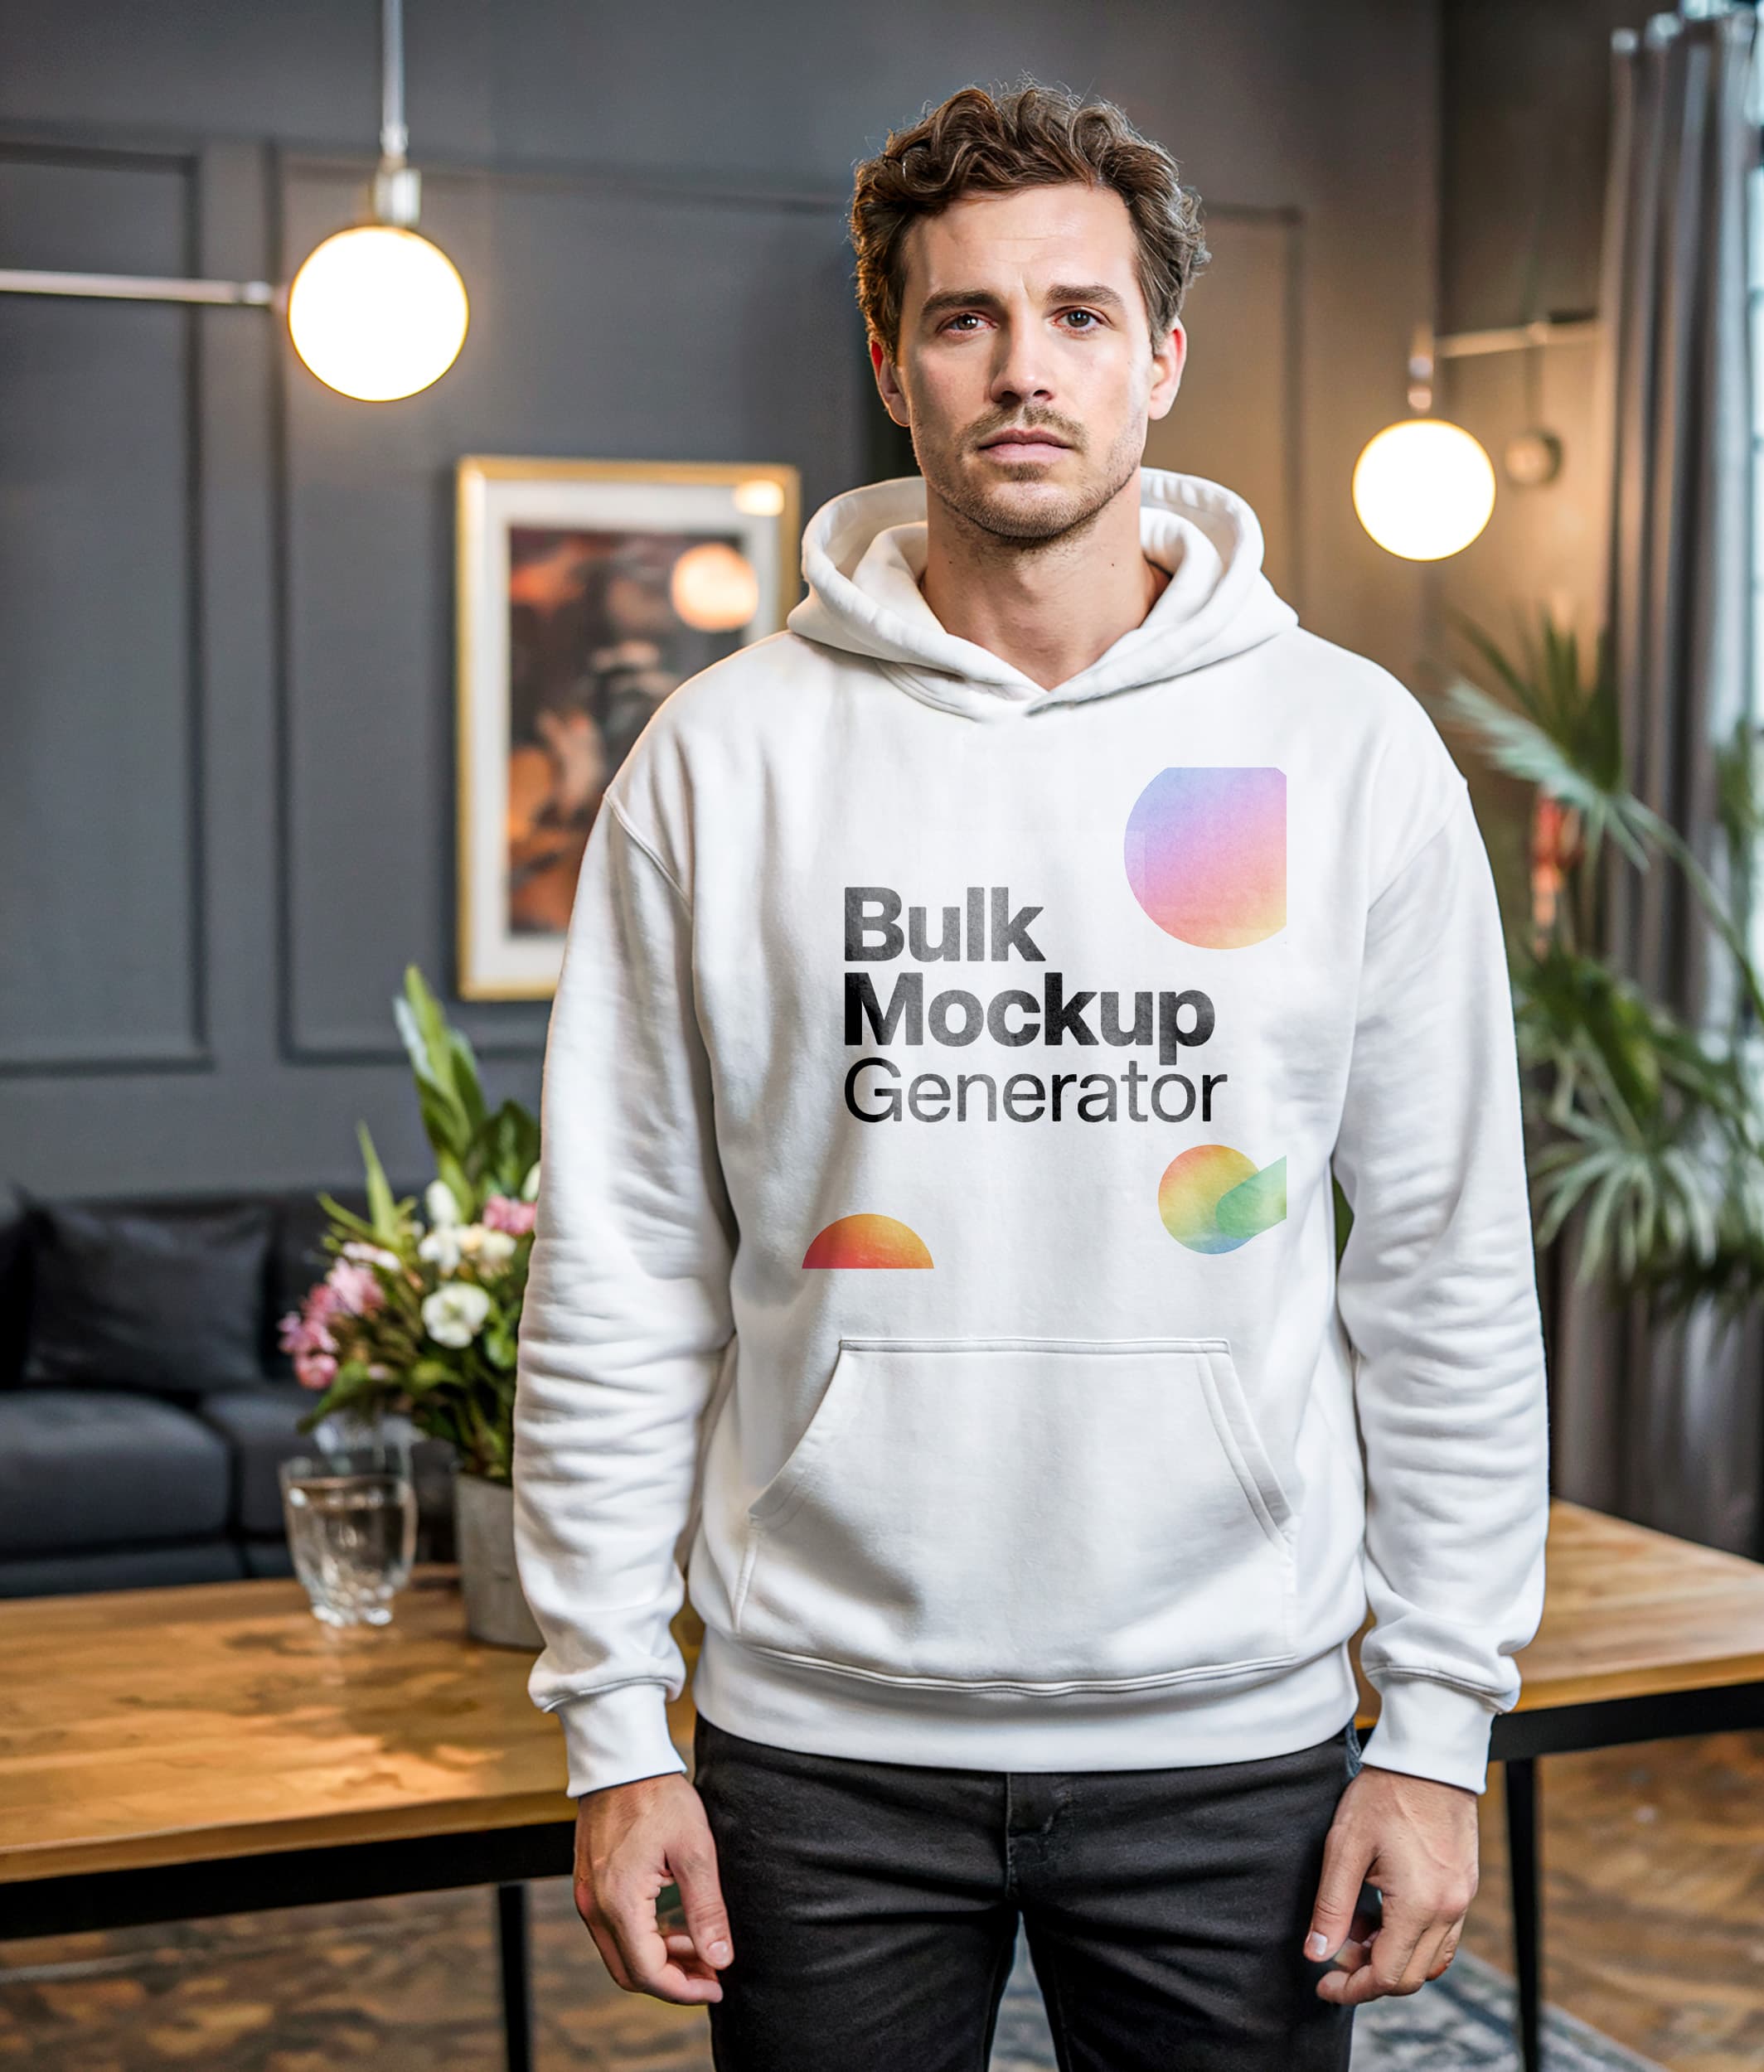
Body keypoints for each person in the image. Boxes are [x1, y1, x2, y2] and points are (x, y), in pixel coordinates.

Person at [511, 79, 1549, 2071]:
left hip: (1234, 1742)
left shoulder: (1347, 752)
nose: (1022, 368)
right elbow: (625, 1262)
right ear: (891, 361)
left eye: (1077, 315)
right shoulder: (722, 760)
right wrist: (612, 1720)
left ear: (1161, 357)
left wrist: (1436, 1726)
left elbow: (1439, 1267)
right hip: (812, 1753)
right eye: (965, 317)